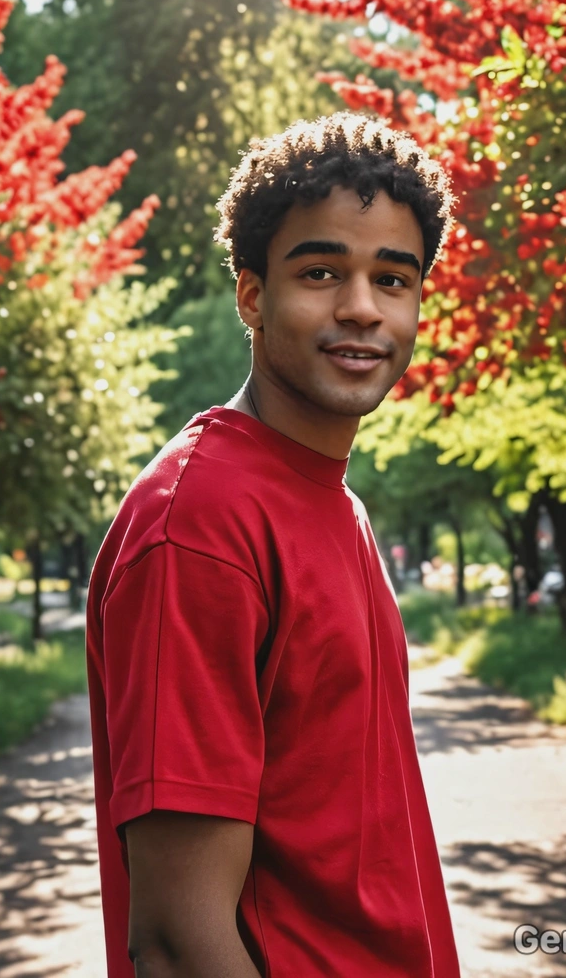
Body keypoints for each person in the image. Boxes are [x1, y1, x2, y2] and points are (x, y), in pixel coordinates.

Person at [86, 112, 462, 978]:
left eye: (392, 279)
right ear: (252, 296)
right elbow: (178, 941)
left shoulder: (334, 502)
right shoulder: (199, 524)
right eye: (320, 272)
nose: (361, 308)